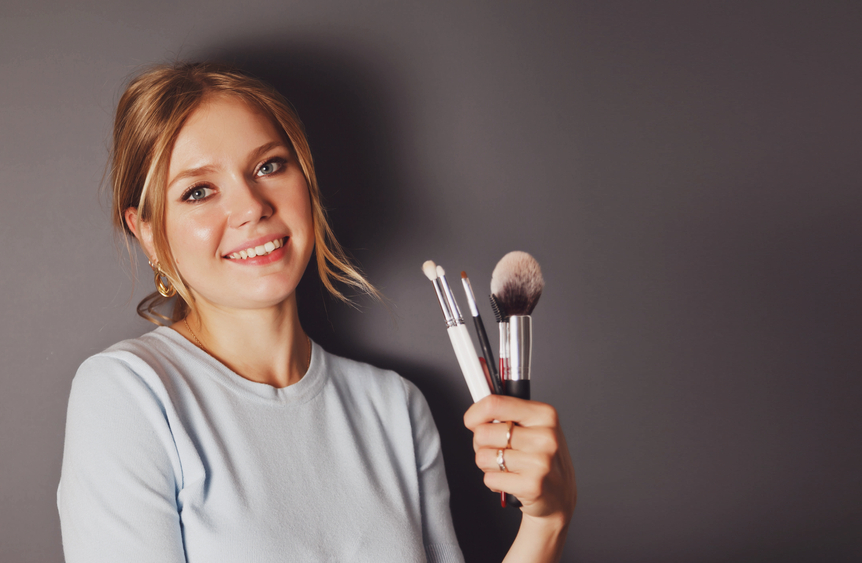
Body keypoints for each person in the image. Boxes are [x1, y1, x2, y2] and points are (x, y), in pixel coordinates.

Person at [57, 62, 576, 563]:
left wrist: (546, 522)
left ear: (307, 182)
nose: (251, 207)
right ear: (148, 231)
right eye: (199, 191)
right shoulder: (128, 395)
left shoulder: (395, 407)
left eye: (268, 166)